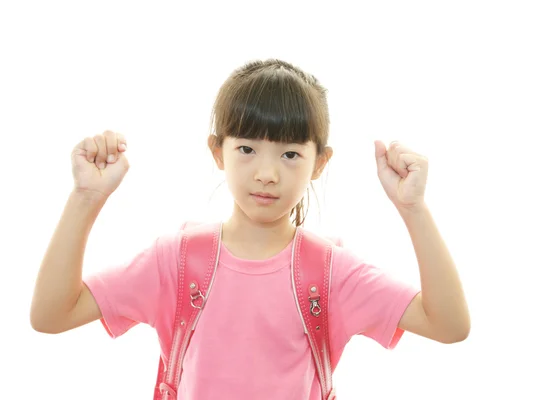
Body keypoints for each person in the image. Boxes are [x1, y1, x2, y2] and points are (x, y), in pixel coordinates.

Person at [30, 58, 470, 399]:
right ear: (217, 152)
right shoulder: (179, 262)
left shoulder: (330, 273)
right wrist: (86, 199)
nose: (266, 173)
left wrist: (413, 208)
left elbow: (449, 325)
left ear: (321, 162)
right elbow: (52, 315)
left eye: (290, 154)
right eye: (246, 147)